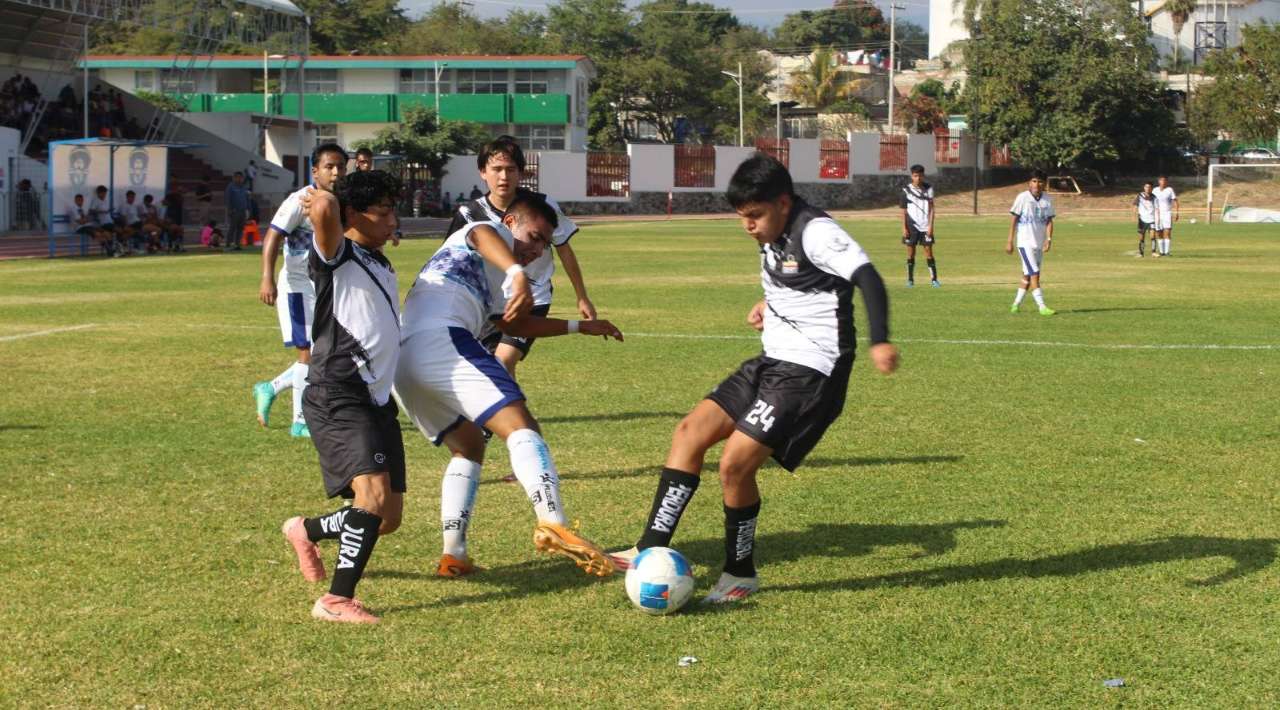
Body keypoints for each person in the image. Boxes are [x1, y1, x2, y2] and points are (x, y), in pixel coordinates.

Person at [609, 154, 898, 604]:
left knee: (735, 465)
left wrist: (880, 341)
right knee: (688, 433)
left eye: (755, 216)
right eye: (742, 217)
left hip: (809, 371)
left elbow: (869, 279)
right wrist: (767, 303)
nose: (748, 226)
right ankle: (650, 545)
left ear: (783, 202)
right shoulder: (773, 232)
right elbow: (793, 280)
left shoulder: (817, 232)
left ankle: (740, 574)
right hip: (771, 361)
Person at [394, 192, 623, 579]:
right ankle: (553, 522)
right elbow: (482, 232)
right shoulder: (486, 231)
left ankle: (455, 555)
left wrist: (579, 326)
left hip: (405, 363)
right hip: (441, 340)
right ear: (512, 222)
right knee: (522, 426)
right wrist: (518, 276)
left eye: (545, 244)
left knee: (467, 446)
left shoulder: (499, 272)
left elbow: (514, 326)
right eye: (534, 237)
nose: (538, 250)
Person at [280, 169, 405, 625]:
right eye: (385, 211)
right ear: (356, 214)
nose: (394, 220)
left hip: (375, 398)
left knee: (386, 517)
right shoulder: (335, 253)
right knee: (370, 497)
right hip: (338, 390)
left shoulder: (379, 260)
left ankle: (304, 530)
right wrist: (327, 190)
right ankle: (335, 600)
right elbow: (328, 210)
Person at [448, 136, 597, 378]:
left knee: (504, 361)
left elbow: (564, 248)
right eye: (496, 169)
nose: (504, 177)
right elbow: (454, 260)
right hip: (490, 304)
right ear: (482, 172)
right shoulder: (469, 213)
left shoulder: (541, 206)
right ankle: (504, 412)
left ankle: (509, 415)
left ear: (521, 173)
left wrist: (582, 297)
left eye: (510, 170)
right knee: (488, 368)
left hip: (533, 298)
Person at [254, 143, 348, 437]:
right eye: (329, 167)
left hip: (323, 286)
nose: (335, 173)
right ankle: (300, 422)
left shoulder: (341, 202)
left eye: (340, 167)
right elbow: (272, 237)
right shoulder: (299, 200)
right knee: (308, 353)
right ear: (315, 171)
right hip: (297, 288)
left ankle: (270, 388)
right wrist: (267, 278)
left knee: (324, 352)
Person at [1006, 170, 1056, 316]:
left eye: (1040, 181)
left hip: (1038, 244)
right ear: (1029, 183)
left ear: (1044, 184)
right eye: (1034, 181)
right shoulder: (1022, 198)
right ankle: (1042, 307)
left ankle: (1015, 305)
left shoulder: (1047, 199)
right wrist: (1009, 241)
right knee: (1034, 274)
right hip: (1025, 243)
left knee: (1027, 276)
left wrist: (1049, 240)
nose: (1037, 184)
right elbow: (1014, 220)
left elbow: (1049, 221)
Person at [900, 164, 938, 287]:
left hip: (925, 226)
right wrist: (904, 227)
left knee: (929, 252)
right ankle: (910, 280)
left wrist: (931, 226)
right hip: (911, 226)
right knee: (911, 253)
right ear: (912, 176)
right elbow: (903, 211)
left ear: (923, 175)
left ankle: (934, 280)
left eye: (920, 176)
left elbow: (932, 209)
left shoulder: (929, 189)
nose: (918, 178)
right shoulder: (906, 190)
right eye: (916, 176)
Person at [1152, 175, 1178, 257]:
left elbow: (1175, 201)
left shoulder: (1169, 190)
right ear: (1159, 181)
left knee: (1167, 232)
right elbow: (1151, 200)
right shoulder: (1155, 190)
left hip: (1167, 213)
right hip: (1157, 214)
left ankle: (1167, 252)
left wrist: (1177, 213)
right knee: (1159, 233)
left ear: (1166, 182)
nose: (1163, 182)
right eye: (1161, 180)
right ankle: (1161, 252)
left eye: (1165, 181)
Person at [224, 172, 250, 251]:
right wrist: (230, 210)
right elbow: (227, 199)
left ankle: (237, 244)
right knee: (232, 228)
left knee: (240, 228)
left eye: (241, 178)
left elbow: (247, 199)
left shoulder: (244, 187)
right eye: (238, 177)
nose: (240, 179)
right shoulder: (230, 187)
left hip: (243, 211)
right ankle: (228, 244)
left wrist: (248, 209)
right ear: (234, 178)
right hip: (234, 211)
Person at [1133, 180, 1157, 258]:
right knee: (1141, 237)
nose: (1147, 188)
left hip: (1152, 219)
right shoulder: (1139, 195)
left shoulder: (1154, 197)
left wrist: (1158, 218)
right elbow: (1135, 205)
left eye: (1149, 187)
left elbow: (1157, 208)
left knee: (1152, 236)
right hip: (1142, 219)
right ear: (1144, 187)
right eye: (1146, 187)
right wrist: (1134, 214)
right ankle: (1141, 253)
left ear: (1152, 188)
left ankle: (1153, 252)